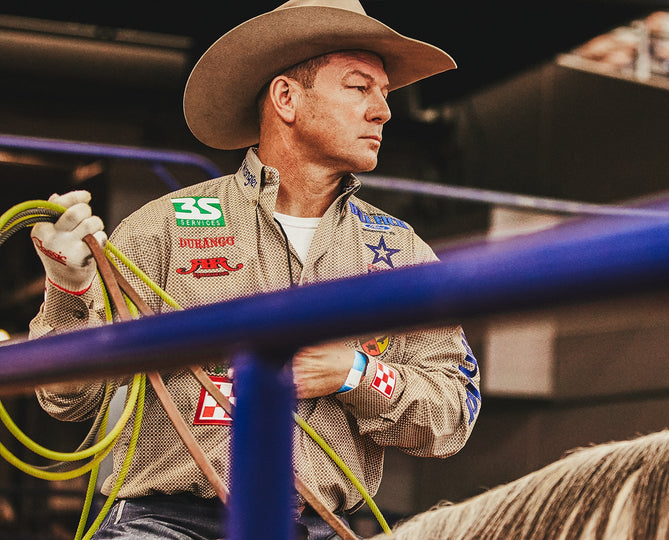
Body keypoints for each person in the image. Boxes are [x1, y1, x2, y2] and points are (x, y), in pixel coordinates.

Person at [27, 1, 481, 538]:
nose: (382, 110)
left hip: (320, 527)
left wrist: (354, 373)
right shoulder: (164, 228)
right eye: (360, 88)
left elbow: (452, 415)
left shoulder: (401, 253)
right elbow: (67, 400)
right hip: (166, 524)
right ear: (286, 98)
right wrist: (69, 288)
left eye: (385, 94)